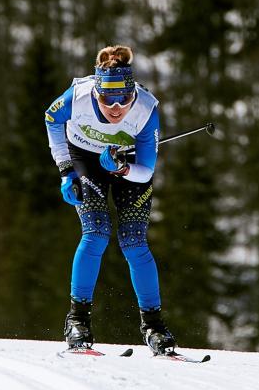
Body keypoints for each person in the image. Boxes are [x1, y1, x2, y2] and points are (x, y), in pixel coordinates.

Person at [44, 45, 177, 355]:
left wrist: (121, 168)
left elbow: (144, 172)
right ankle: (77, 321)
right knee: (96, 233)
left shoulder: (146, 109)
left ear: (133, 95)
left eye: (124, 100)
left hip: (127, 164)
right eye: (107, 100)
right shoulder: (77, 97)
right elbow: (51, 120)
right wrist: (66, 170)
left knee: (134, 241)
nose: (116, 108)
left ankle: (154, 326)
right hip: (85, 159)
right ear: (96, 94)